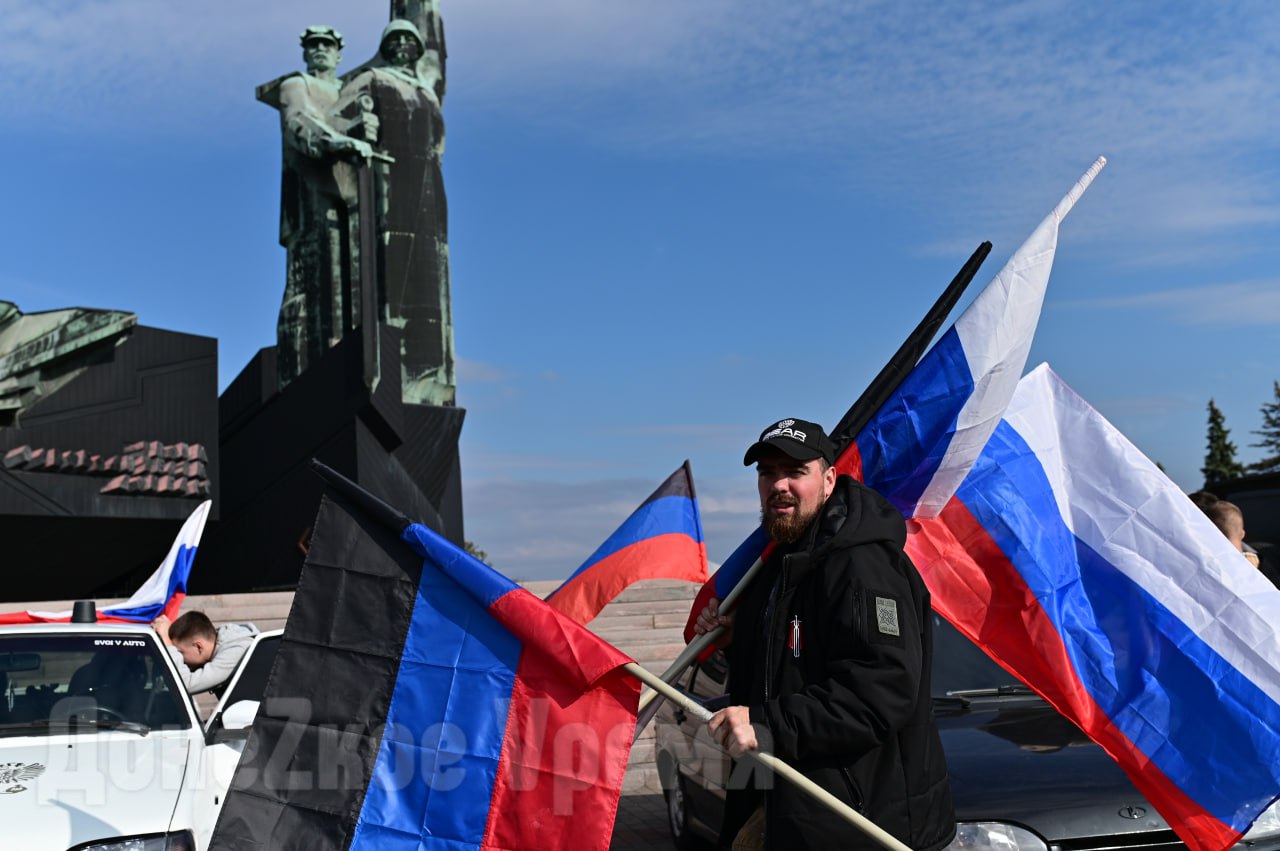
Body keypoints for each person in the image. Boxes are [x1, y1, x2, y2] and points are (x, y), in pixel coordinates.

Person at [695, 418, 954, 850]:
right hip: (792, 816)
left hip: (861, 826)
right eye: (767, 472)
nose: (779, 484)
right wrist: (741, 639)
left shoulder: (863, 566)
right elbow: (800, 660)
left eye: (795, 472)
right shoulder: (778, 561)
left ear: (829, 479)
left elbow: (881, 692)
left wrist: (765, 723)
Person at [338, 19, 455, 406]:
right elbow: (339, 120)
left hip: (429, 185)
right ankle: (393, 365)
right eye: (396, 38)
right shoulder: (372, 78)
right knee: (393, 265)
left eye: (410, 38)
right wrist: (360, 125)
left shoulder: (427, 91)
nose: (404, 43)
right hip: (392, 178)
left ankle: (429, 371)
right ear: (385, 45)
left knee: (431, 271)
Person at [265, 25, 373, 389]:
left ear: (339, 53)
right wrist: (334, 142)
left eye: (327, 45)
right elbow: (299, 121)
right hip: (311, 200)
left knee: (356, 288)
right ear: (305, 53)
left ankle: (349, 368)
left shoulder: (350, 89)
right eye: (313, 45)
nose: (320, 50)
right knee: (311, 289)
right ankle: (304, 378)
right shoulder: (296, 85)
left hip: (351, 199)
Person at [153, 611, 257, 695]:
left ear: (199, 647)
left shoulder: (237, 650)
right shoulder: (221, 645)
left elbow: (185, 685)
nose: (180, 658)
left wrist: (167, 642)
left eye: (180, 652)